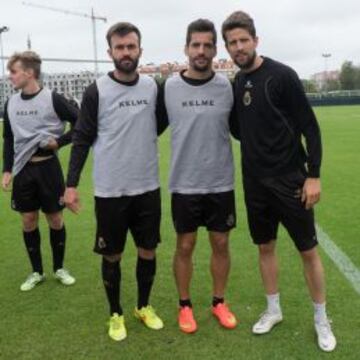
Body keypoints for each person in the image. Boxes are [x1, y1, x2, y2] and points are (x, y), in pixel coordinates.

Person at [222, 11, 336, 352]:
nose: (239, 47)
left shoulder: (282, 75)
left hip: (291, 180)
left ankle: (321, 319)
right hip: (254, 182)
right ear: (227, 47)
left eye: (244, 40)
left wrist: (312, 175)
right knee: (265, 246)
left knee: (308, 250)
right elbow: (238, 128)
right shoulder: (238, 82)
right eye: (232, 42)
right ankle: (273, 310)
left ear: (256, 41)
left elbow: (310, 128)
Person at [64, 22, 167, 342]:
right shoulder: (97, 90)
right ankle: (116, 313)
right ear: (110, 52)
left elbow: (159, 123)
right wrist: (70, 184)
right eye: (120, 48)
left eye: (131, 47)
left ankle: (143, 306)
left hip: (147, 187)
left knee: (148, 250)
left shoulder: (151, 87)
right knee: (113, 255)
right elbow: (82, 137)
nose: (126, 53)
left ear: (139, 50)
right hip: (110, 191)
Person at [164, 19, 237, 333]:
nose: (201, 51)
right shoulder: (168, 87)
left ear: (215, 50)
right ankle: (185, 306)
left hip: (220, 182)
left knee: (220, 243)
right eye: (196, 45)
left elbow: (242, 127)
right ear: (186, 48)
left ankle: (219, 301)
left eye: (208, 45)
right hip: (184, 183)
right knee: (185, 245)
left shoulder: (226, 86)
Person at [2, 51, 77, 291]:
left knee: (55, 218)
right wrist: (6, 169)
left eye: (13, 72)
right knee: (28, 219)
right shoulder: (10, 103)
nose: (9, 76)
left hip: (48, 168)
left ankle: (59, 268)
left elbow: (82, 122)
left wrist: (60, 141)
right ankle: (36, 271)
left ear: (29, 72)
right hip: (23, 170)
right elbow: (9, 139)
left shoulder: (53, 98)